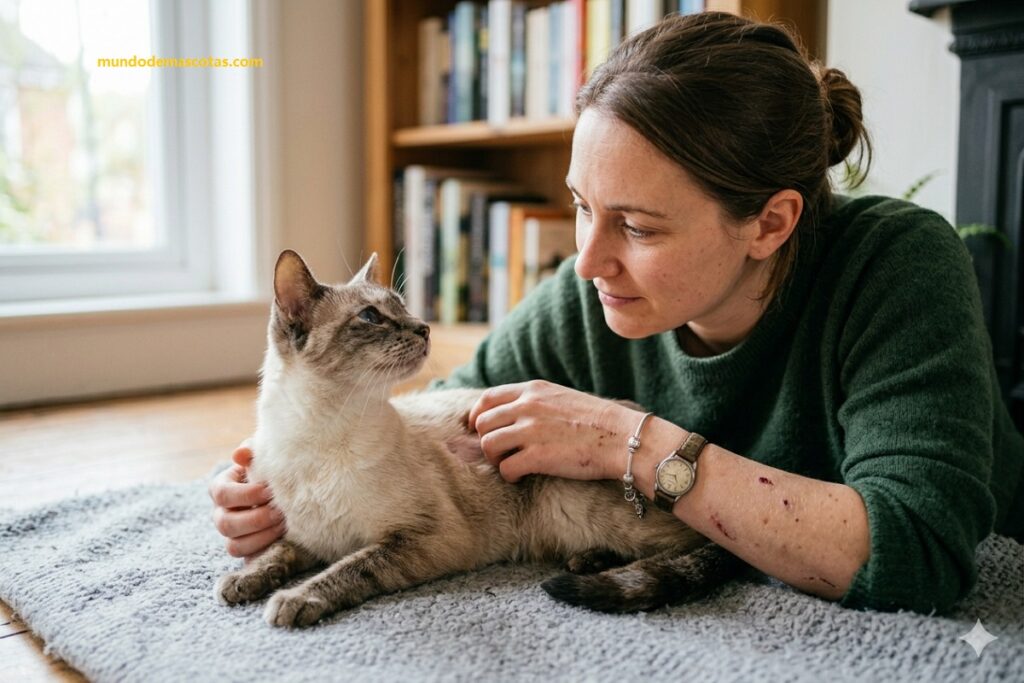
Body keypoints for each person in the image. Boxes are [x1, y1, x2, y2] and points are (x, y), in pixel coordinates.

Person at [208, 11, 1024, 614]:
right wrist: (277, 472)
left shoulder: (898, 262)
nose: (587, 260)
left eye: (635, 224)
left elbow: (917, 552)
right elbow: (450, 416)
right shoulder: (590, 291)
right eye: (580, 205)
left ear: (770, 223)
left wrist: (628, 441)